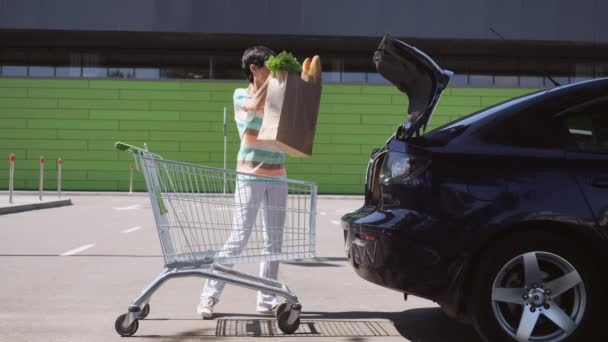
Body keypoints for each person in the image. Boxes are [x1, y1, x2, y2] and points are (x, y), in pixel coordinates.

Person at [197, 46, 288, 319]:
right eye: (267, 68)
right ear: (253, 69)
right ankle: (208, 296)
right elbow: (251, 110)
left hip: (278, 174)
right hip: (250, 174)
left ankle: (266, 300)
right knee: (239, 237)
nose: (272, 73)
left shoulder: (278, 93)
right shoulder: (241, 95)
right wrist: (271, 83)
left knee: (273, 242)